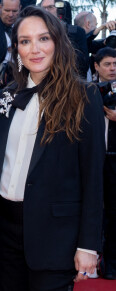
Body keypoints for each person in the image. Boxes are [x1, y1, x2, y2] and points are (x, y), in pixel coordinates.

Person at [0, 6, 104, 290]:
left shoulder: (83, 95)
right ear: (16, 49)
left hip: (56, 235)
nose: (34, 49)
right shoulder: (4, 97)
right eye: (25, 41)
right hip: (4, 231)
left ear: (58, 43)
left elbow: (93, 176)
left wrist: (88, 244)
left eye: (43, 39)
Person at [93, 47, 116, 279]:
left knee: (113, 213)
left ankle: (110, 263)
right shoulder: (87, 91)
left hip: (114, 160)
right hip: (91, 159)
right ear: (96, 66)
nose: (113, 68)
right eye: (108, 64)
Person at [40, 0, 88, 78]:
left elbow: (84, 64)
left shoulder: (76, 32)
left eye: (50, 7)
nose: (46, 11)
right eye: (43, 8)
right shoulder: (34, 33)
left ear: (60, 10)